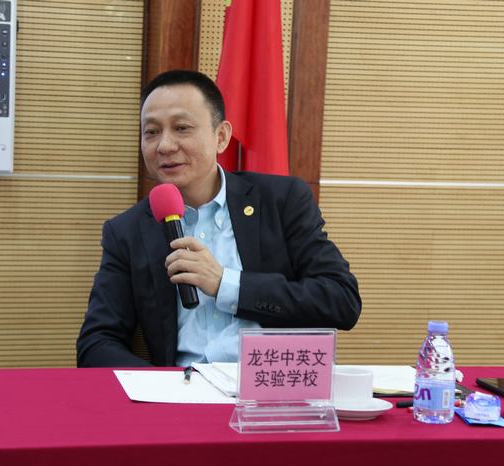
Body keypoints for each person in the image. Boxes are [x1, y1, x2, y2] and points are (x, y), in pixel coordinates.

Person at [76, 70, 361, 367]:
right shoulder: (127, 230)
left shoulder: (281, 201)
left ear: (221, 136)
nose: (165, 146)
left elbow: (341, 301)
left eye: (182, 128)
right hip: (182, 387)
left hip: (268, 383)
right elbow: (96, 344)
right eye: (151, 132)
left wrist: (225, 283)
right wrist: (163, 385)